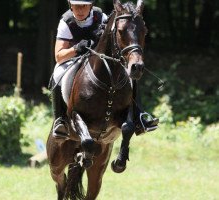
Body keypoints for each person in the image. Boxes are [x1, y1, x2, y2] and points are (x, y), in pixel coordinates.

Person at [51, 0, 158, 138]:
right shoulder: (66, 21)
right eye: (76, 5)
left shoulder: (100, 16)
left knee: (129, 73)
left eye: (84, 5)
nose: (80, 9)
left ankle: (139, 115)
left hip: (98, 59)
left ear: (91, 5)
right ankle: (60, 120)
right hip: (74, 58)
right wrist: (76, 48)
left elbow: (114, 38)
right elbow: (58, 56)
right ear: (70, 5)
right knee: (57, 72)